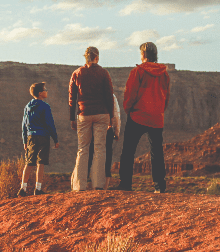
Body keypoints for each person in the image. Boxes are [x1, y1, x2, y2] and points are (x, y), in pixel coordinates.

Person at [117, 42, 171, 193]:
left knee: (128, 151)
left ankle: (125, 184)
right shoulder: (164, 74)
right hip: (156, 117)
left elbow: (131, 93)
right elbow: (166, 96)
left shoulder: (138, 72)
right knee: (157, 152)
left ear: (143, 55)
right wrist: (160, 111)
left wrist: (128, 109)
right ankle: (159, 186)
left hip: (138, 115)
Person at [68, 47, 116, 191]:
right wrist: (112, 116)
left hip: (84, 114)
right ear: (97, 57)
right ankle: (98, 185)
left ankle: (79, 186)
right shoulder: (104, 73)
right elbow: (109, 96)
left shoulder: (77, 73)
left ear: (85, 57)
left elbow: (72, 98)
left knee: (83, 149)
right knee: (99, 148)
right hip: (102, 114)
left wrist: (72, 118)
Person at [18, 82, 60, 196]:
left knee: (29, 163)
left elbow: (24, 125)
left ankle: (23, 189)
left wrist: (25, 140)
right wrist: (55, 139)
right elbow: (50, 124)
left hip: (31, 137)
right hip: (43, 136)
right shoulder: (45, 106)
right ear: (40, 93)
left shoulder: (27, 106)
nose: (46, 91)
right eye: (45, 90)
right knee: (40, 162)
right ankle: (38, 188)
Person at [76, 93, 121, 189]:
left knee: (87, 154)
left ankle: (81, 185)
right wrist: (116, 131)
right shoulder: (110, 95)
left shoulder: (86, 93)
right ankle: (103, 187)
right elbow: (116, 113)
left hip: (89, 127)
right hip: (106, 128)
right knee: (106, 155)